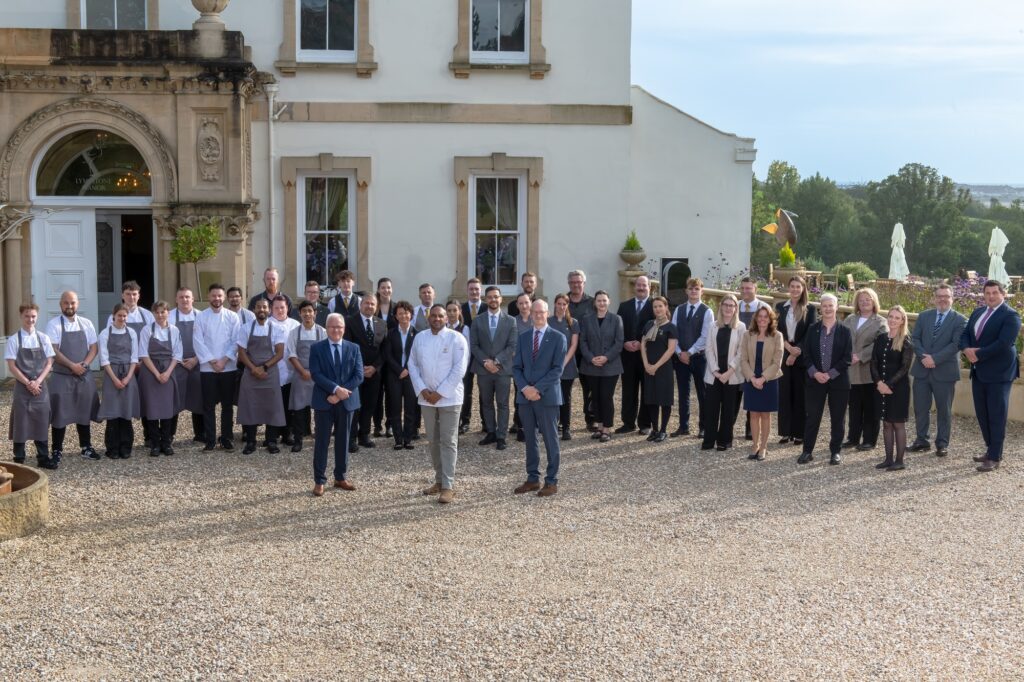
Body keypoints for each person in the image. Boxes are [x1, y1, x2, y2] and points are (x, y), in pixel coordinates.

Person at [409, 304, 470, 504]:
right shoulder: (420, 338)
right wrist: (423, 390)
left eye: (441, 316)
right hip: (426, 398)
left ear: (447, 318)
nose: (437, 319)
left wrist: (440, 392)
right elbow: (412, 365)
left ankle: (448, 485)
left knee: (448, 440)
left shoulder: (456, 338)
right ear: (428, 318)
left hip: (450, 398)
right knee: (433, 440)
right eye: (433, 315)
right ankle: (438, 479)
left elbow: (459, 369)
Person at [960, 279, 1022, 472]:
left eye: (995, 293)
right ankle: (990, 449)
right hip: (979, 372)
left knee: (996, 415)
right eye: (987, 293)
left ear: (1003, 294)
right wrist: (966, 348)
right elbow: (965, 334)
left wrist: (976, 354)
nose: (991, 296)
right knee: (982, 414)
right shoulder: (978, 312)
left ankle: (995, 456)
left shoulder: (1011, 315)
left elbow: (1004, 343)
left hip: (999, 373)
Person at [513, 300, 567, 497]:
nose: (537, 315)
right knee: (529, 438)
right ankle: (532, 478)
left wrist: (537, 389)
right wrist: (525, 388)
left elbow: (557, 370)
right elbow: (516, 367)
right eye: (534, 311)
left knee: (550, 439)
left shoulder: (558, 338)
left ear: (548, 313)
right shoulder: (524, 337)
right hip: (525, 397)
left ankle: (551, 480)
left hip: (547, 397)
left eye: (541, 312)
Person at [308, 313, 363, 497]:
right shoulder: (317, 348)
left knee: (343, 440)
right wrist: (334, 389)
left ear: (344, 329)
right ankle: (319, 481)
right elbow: (315, 374)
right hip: (324, 401)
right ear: (326, 328)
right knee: (322, 441)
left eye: (339, 327)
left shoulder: (354, 348)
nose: (336, 330)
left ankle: (340, 477)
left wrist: (340, 394)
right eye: (332, 326)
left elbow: (358, 375)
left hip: (346, 402)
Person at [909, 284, 967, 457]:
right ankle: (921, 440)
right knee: (920, 408)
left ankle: (942, 443)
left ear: (952, 299)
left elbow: (956, 344)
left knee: (944, 410)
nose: (942, 299)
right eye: (939, 296)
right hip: (921, 370)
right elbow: (915, 338)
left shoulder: (960, 320)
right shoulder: (924, 316)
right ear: (934, 298)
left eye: (946, 296)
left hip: (945, 372)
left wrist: (934, 359)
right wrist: (923, 357)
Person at [46, 290, 100, 466]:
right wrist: (72, 366)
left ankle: (86, 447)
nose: (70, 306)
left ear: (78, 304)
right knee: (59, 413)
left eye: (73, 303)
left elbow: (94, 347)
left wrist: (83, 365)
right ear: (60, 304)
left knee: (84, 410)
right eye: (66, 303)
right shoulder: (53, 324)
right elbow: (53, 350)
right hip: (62, 375)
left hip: (83, 374)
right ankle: (57, 450)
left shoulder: (86, 323)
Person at [799, 293, 853, 465]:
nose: (828, 309)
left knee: (838, 418)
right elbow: (806, 355)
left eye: (831, 305)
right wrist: (815, 373)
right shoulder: (812, 329)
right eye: (825, 306)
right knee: (812, 417)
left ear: (837, 307)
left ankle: (835, 452)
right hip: (815, 381)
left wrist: (829, 374)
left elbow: (847, 358)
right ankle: (807, 451)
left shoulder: (845, 331)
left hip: (838, 381)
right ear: (820, 308)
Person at [236, 298, 288, 454]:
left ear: (269, 309)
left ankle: (271, 440)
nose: (261, 309)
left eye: (264, 307)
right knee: (250, 405)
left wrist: (264, 367)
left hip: (270, 372)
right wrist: (253, 368)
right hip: (250, 372)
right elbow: (241, 352)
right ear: (254, 310)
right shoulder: (245, 328)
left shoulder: (277, 328)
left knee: (272, 406)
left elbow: (280, 352)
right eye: (258, 307)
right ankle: (251, 441)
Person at [6, 303, 55, 468]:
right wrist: (28, 383)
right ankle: (19, 459)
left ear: (37, 317)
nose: (30, 319)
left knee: (41, 420)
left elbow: (49, 362)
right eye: (27, 316)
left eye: (33, 316)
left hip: (40, 386)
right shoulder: (14, 339)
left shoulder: (43, 338)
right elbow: (12, 366)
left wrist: (38, 381)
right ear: (21, 316)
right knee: (21, 421)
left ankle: (43, 457)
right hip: (22, 386)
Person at [469, 285, 517, 450]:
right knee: (486, 402)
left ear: (501, 299)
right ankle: (491, 432)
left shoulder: (511, 321)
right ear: (485, 299)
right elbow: (474, 345)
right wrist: (485, 362)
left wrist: (496, 361)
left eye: (496, 296)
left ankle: (501, 436)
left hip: (502, 369)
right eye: (489, 297)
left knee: (503, 403)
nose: (493, 299)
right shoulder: (477, 320)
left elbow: (512, 346)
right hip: (483, 370)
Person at [194, 283, 240, 451]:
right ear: (208, 296)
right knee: (208, 406)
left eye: (220, 296)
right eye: (214, 295)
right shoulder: (201, 317)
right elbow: (198, 341)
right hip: (208, 368)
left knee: (227, 406)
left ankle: (227, 438)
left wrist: (224, 361)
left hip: (228, 367)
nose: (217, 299)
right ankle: (210, 439)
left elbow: (236, 341)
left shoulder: (232, 317)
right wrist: (213, 362)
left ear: (224, 297)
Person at [871, 305, 915, 471]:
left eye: (897, 317)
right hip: (881, 387)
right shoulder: (881, 338)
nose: (893, 320)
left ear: (903, 320)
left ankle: (899, 460)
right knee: (887, 424)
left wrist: (888, 384)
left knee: (898, 424)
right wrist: (879, 383)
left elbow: (904, 368)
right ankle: (888, 459)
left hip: (898, 388)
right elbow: (873, 362)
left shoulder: (906, 341)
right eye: (891, 316)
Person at [841, 288, 886, 452]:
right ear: (857, 303)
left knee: (870, 407)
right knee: (853, 407)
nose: (865, 302)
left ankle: (869, 439)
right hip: (851, 371)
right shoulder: (850, 319)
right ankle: (852, 438)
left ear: (874, 301)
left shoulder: (881, 322)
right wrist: (847, 355)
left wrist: (860, 355)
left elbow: (880, 344)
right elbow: (841, 338)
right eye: (861, 300)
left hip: (869, 370)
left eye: (868, 299)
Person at [138, 301, 183, 457]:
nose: (160, 315)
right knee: (151, 408)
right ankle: (155, 444)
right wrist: (157, 374)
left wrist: (167, 373)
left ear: (168, 313)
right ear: (153, 314)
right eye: (157, 312)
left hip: (169, 369)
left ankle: (166, 442)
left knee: (166, 408)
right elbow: (143, 354)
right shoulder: (146, 330)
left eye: (163, 312)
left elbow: (177, 354)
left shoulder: (175, 330)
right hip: (150, 371)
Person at [671, 278, 714, 439]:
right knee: (683, 392)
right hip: (680, 357)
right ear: (686, 291)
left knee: (702, 393)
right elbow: (673, 333)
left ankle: (703, 427)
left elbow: (705, 336)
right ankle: (683, 426)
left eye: (697, 289)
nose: (694, 291)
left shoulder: (707, 311)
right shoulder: (679, 310)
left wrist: (689, 352)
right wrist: (679, 352)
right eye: (691, 288)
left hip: (699, 358)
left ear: (702, 291)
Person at [579, 290, 624, 443]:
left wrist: (606, 357)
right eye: (599, 300)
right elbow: (582, 341)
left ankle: (607, 428)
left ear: (609, 302)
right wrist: (591, 358)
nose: (602, 303)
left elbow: (619, 342)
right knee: (595, 397)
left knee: (606, 396)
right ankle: (599, 426)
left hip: (610, 365)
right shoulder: (586, 320)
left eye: (604, 300)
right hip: (591, 365)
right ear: (595, 302)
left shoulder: (616, 319)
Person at [97, 303, 141, 459]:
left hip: (128, 373)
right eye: (119, 315)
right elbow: (104, 359)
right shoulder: (105, 334)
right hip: (112, 373)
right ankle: (112, 448)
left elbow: (134, 357)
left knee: (126, 411)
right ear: (113, 315)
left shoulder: (132, 333)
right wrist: (115, 379)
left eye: (125, 316)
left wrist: (129, 377)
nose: (122, 318)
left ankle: (126, 446)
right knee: (113, 411)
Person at [776, 276, 816, 446]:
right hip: (783, 353)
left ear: (803, 288)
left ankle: (799, 433)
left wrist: (795, 352)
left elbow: (810, 333)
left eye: (798, 286)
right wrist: (787, 348)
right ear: (788, 288)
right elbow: (776, 330)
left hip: (801, 357)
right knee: (784, 394)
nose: (794, 289)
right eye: (792, 286)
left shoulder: (810, 309)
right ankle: (785, 432)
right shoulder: (780, 307)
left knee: (800, 395)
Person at [344, 293, 387, 451]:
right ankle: (351, 438)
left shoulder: (382, 324)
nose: (369, 306)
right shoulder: (350, 322)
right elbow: (347, 347)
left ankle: (364, 435)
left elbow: (384, 350)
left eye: (372, 304)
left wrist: (375, 367)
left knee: (370, 405)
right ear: (361, 305)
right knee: (354, 405)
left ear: (376, 307)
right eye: (367, 303)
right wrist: (360, 368)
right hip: (355, 372)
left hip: (374, 373)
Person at [740, 306, 783, 461]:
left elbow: (777, 362)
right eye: (760, 316)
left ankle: (764, 446)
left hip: (769, 380)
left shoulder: (777, 336)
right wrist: (752, 378)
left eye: (766, 316)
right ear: (756, 318)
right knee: (753, 414)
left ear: (771, 319)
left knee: (765, 414)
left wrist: (762, 378)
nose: (763, 319)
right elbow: (743, 359)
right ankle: (754, 445)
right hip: (751, 378)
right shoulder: (747, 335)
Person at [702, 295, 744, 451]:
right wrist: (715, 371)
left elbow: (741, 351)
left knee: (728, 410)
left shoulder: (741, 327)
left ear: (735, 308)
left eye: (731, 305)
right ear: (721, 307)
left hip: (732, 375)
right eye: (725, 305)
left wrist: (729, 371)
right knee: (711, 409)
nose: (728, 308)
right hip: (714, 375)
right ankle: (708, 441)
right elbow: (708, 349)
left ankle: (724, 441)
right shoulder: (713, 326)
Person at [287, 300, 327, 452]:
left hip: (317, 376)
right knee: (298, 410)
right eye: (304, 311)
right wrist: (303, 371)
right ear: (300, 314)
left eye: (310, 311)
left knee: (319, 409)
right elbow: (291, 354)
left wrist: (314, 372)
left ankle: (319, 438)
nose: (307, 314)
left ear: (315, 313)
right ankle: (298, 440)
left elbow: (325, 355)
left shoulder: (322, 332)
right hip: (300, 375)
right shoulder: (294, 333)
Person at [617, 276, 655, 434]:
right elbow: (618, 329)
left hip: (647, 355)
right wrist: (624, 342)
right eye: (638, 285)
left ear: (649, 287)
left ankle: (645, 424)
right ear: (635, 287)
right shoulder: (624, 306)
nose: (641, 288)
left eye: (644, 285)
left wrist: (642, 343)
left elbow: (659, 327)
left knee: (647, 389)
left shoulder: (655, 305)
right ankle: (628, 422)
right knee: (628, 390)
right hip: (628, 356)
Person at [736, 277, 771, 440]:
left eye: (749, 288)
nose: (745, 291)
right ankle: (729, 426)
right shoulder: (735, 306)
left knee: (754, 393)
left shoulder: (764, 308)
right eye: (743, 288)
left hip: (757, 357)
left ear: (755, 289)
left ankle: (751, 428)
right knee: (735, 394)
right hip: (737, 356)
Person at [640, 296, 678, 443]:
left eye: (660, 306)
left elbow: (671, 350)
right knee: (651, 399)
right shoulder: (649, 324)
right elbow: (643, 344)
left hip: (663, 369)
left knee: (665, 399)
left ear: (666, 307)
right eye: (655, 307)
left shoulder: (671, 327)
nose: (657, 309)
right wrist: (646, 364)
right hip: (648, 367)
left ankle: (663, 430)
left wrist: (655, 366)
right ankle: (654, 429)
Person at [171, 287, 205, 443]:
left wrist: (196, 359)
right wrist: (179, 360)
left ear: (193, 299)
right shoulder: (170, 316)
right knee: (174, 398)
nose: (184, 300)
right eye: (181, 297)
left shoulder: (201, 316)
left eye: (187, 297)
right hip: (176, 364)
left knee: (199, 398)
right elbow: (165, 342)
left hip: (198, 363)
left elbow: (207, 341)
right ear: (176, 299)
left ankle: (201, 434)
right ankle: (169, 435)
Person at [384, 301, 419, 450]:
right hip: (394, 375)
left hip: (411, 375)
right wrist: (400, 370)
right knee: (395, 407)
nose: (403, 315)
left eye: (406, 312)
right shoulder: (390, 333)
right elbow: (387, 354)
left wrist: (408, 369)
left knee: (411, 407)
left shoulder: (417, 334)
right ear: (396, 316)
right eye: (400, 313)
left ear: (411, 314)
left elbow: (419, 356)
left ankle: (408, 438)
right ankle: (398, 439)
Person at [567, 270, 597, 429]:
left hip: (586, 352)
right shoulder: (563, 301)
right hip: (567, 352)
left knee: (589, 387)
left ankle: (590, 418)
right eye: (573, 282)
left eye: (579, 282)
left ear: (584, 283)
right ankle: (563, 421)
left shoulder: (592, 302)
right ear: (569, 284)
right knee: (565, 387)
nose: (576, 285)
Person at [548, 293, 580, 440]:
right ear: (555, 304)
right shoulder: (548, 321)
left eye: (564, 304)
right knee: (552, 396)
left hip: (567, 366)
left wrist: (563, 363)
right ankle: (553, 425)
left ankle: (566, 427)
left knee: (565, 397)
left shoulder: (573, 323)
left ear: (567, 306)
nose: (561, 306)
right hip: (550, 366)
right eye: (559, 303)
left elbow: (573, 345)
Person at [270, 295, 301, 447]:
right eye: (276, 307)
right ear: (272, 309)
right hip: (272, 371)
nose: (280, 310)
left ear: (287, 308)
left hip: (291, 371)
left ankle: (287, 433)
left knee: (289, 404)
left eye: (282, 307)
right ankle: (273, 433)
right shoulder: (267, 324)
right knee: (273, 404)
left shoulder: (295, 324)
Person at [372, 276, 397, 439]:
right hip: (376, 358)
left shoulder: (397, 308)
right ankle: (377, 425)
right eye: (383, 287)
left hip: (392, 358)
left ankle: (390, 425)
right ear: (378, 289)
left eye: (388, 287)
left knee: (391, 394)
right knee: (376, 393)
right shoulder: (373, 307)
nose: (386, 290)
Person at [510, 292, 533, 441]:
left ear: (530, 303)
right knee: (520, 395)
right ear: (517, 305)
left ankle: (534, 425)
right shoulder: (513, 321)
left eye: (526, 302)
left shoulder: (536, 319)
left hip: (535, 364)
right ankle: (520, 425)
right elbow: (511, 343)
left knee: (535, 394)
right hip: (518, 364)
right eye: (521, 303)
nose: (524, 306)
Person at [453, 294, 477, 434]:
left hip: (463, 369)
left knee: (465, 394)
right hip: (447, 369)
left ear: (459, 312)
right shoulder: (443, 327)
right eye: (449, 311)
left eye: (454, 310)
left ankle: (465, 421)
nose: (451, 313)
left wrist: (463, 369)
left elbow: (467, 350)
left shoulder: (465, 328)